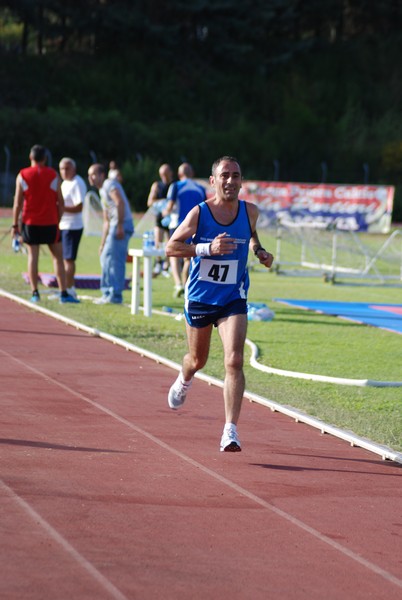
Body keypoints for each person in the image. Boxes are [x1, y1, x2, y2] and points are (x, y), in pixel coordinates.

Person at [165, 156, 274, 452]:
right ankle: (185, 377)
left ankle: (230, 431)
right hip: (201, 298)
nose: (230, 180)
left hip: (233, 298)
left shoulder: (250, 211)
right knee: (197, 360)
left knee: (234, 360)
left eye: (235, 175)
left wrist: (260, 251)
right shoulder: (200, 213)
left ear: (241, 181)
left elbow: (251, 236)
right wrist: (206, 248)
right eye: (224, 175)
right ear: (213, 181)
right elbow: (171, 247)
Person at [11, 145, 79, 304]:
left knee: (33, 257)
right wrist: (58, 220)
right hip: (50, 222)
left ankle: (35, 293)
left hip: (30, 223)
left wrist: (15, 225)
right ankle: (63, 293)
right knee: (58, 258)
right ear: (45, 158)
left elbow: (17, 203)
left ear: (30, 157)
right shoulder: (53, 175)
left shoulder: (22, 175)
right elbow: (60, 203)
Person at [87, 163, 134, 304]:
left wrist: (120, 225)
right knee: (105, 258)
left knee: (115, 261)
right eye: (89, 175)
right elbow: (106, 220)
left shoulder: (108, 184)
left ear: (102, 175)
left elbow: (120, 202)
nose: (90, 178)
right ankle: (107, 292)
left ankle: (115, 295)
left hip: (121, 225)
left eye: (93, 174)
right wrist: (102, 243)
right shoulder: (101, 191)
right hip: (114, 225)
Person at [164, 162, 207, 297]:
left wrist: (164, 212)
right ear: (192, 173)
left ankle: (178, 284)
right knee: (190, 257)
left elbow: (170, 206)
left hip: (178, 225)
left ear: (179, 174)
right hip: (196, 226)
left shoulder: (175, 186)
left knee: (174, 255)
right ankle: (187, 284)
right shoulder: (200, 188)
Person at [59, 157, 87, 299]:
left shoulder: (77, 183)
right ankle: (65, 287)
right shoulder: (65, 183)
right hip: (63, 225)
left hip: (73, 226)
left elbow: (79, 206)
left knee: (69, 259)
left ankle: (70, 289)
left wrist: (62, 209)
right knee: (64, 259)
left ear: (73, 169)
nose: (64, 171)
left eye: (67, 168)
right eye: (62, 169)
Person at [147, 163, 174, 276]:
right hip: (160, 217)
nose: (164, 177)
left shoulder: (175, 185)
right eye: (162, 175)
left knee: (170, 243)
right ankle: (158, 262)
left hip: (172, 218)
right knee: (158, 241)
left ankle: (167, 265)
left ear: (170, 173)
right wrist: (163, 203)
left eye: (166, 174)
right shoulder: (157, 185)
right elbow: (150, 202)